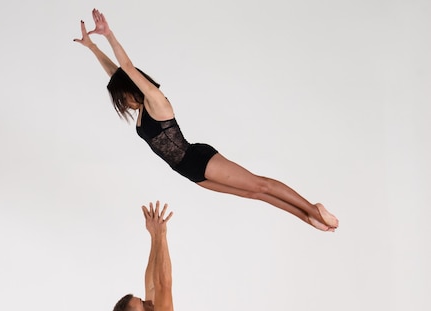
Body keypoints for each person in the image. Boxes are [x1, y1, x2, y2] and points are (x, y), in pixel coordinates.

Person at [74, 9, 339, 232]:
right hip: (188, 171)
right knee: (253, 194)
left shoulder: (156, 101)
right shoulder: (142, 108)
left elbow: (127, 68)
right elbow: (116, 74)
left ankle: (313, 207)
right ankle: (306, 217)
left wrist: (109, 35)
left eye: (125, 98)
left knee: (260, 184)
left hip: (198, 159)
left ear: (133, 88)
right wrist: (92, 47)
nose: (126, 104)